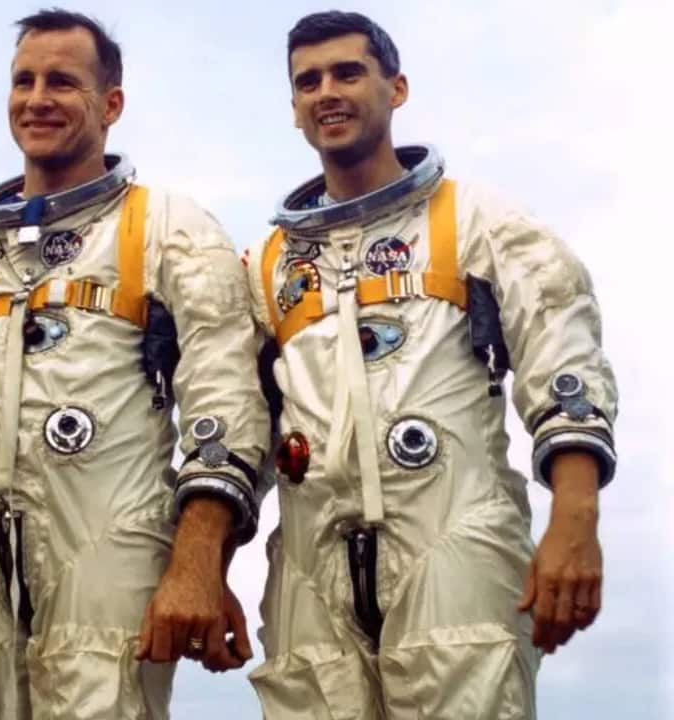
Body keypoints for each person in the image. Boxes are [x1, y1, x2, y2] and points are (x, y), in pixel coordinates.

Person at [0, 9, 271, 720]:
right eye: (23, 81)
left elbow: (226, 398)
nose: (37, 99)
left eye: (62, 81)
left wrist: (198, 562)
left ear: (110, 104)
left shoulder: (168, 227)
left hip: (108, 557)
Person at [242, 11, 618, 718]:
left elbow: (562, 348)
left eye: (349, 72)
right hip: (310, 567)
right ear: (293, 107)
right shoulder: (268, 267)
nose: (327, 91)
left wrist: (576, 517)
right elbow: (233, 419)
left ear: (397, 86)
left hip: (454, 540)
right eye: (308, 81)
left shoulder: (475, 220)